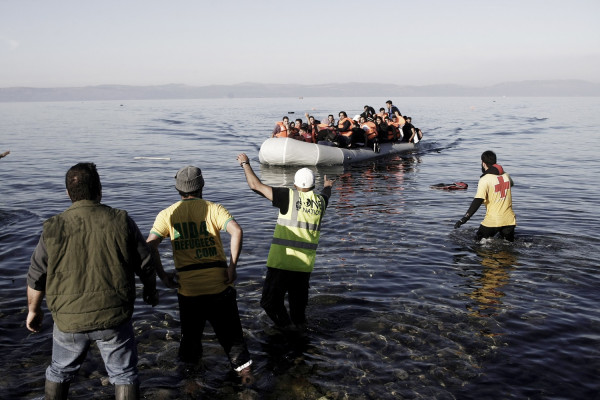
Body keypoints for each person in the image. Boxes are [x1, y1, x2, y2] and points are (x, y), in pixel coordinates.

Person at [26, 162, 158, 400]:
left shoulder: (53, 226)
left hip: (68, 318)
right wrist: (151, 291)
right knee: (124, 374)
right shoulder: (121, 220)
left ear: (68, 194)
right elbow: (145, 263)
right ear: (100, 190)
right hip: (113, 318)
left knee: (59, 370)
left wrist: (33, 311)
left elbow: (36, 276)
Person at [146, 166, 252, 381]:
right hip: (219, 287)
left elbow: (150, 246)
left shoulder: (167, 214)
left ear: (178, 188)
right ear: (201, 186)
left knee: (191, 346)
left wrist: (163, 276)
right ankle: (247, 386)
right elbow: (237, 231)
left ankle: (191, 388)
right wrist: (232, 267)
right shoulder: (214, 208)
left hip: (189, 291)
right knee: (234, 343)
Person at [236, 153, 334, 333]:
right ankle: (301, 342)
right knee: (299, 313)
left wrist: (245, 164)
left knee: (269, 303)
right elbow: (326, 194)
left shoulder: (288, 196)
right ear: (313, 186)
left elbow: (255, 185)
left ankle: (287, 330)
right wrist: (328, 186)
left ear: (295, 185)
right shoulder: (320, 203)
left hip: (282, 264)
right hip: (303, 268)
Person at [454, 151, 517, 241]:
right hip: (509, 220)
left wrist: (465, 218)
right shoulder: (506, 176)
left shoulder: (485, 179)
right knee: (508, 247)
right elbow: (511, 184)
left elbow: (478, 200)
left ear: (483, 163)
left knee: (477, 243)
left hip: (492, 221)